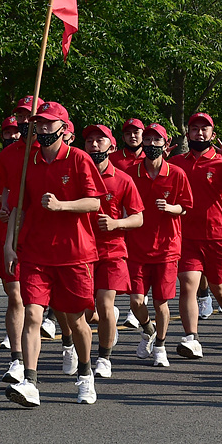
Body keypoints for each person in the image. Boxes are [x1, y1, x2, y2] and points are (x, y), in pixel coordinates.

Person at [4, 101, 105, 406]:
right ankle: (30, 382)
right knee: (33, 314)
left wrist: (63, 205)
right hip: (35, 252)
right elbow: (18, 208)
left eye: (49, 124)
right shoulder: (28, 163)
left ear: (63, 127)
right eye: (39, 123)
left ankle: (86, 375)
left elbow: (94, 203)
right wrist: (10, 244)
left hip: (74, 253)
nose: (43, 128)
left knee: (76, 322)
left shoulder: (79, 159)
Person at [171, 112, 222, 353]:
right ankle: (191, 338)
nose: (200, 133)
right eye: (195, 129)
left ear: (213, 135)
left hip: (218, 235)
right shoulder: (177, 163)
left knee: (219, 288)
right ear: (188, 133)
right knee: (187, 284)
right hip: (187, 236)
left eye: (205, 129)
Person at [127, 124, 194, 366]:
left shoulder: (176, 173)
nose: (152, 145)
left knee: (160, 302)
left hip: (167, 248)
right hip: (136, 247)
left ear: (166, 145)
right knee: (136, 301)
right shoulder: (131, 173)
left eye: (157, 141)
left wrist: (171, 208)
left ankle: (160, 345)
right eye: (148, 140)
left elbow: (185, 206)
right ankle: (148, 329)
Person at [81, 124, 144, 379]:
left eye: (100, 140)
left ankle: (104, 357)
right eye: (90, 141)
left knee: (105, 305)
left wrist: (117, 223)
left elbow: (138, 218)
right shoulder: (77, 174)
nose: (94, 145)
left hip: (112, 251)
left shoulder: (123, 179)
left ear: (112, 146)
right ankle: (99, 329)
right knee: (84, 310)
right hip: (80, 251)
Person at [0, 113, 31, 371]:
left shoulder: (38, 156)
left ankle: (66, 341)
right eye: (7, 131)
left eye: (17, 129)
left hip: (37, 237)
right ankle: (17, 353)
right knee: (14, 294)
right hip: (3, 236)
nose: (12, 135)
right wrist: (4, 204)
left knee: (25, 297)